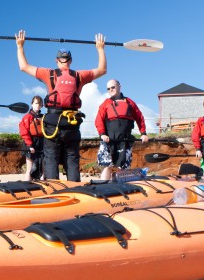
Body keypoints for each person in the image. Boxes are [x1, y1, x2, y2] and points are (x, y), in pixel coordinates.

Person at [16, 30, 107, 181]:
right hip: (72, 122)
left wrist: (20, 46)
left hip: (52, 122)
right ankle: (75, 191)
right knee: (71, 158)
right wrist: (100, 49)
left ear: (57, 60)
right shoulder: (80, 75)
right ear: (70, 61)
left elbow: (23, 66)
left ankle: (54, 191)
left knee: (51, 158)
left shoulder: (48, 73)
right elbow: (102, 70)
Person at [95, 79, 149, 180]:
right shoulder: (105, 103)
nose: (110, 90)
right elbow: (98, 120)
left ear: (119, 86)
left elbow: (139, 118)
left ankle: (121, 188)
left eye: (113, 87)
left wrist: (143, 133)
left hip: (125, 140)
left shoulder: (130, 102)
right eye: (108, 88)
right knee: (107, 166)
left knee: (123, 167)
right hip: (109, 140)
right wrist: (102, 134)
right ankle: (103, 186)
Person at [19, 95, 45, 181]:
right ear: (32, 104)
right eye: (36, 103)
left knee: (42, 168)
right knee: (29, 169)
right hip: (30, 142)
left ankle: (42, 183)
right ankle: (27, 185)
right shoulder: (27, 117)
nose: (38, 105)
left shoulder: (43, 117)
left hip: (41, 142)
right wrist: (30, 145)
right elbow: (24, 132)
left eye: (40, 103)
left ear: (42, 105)